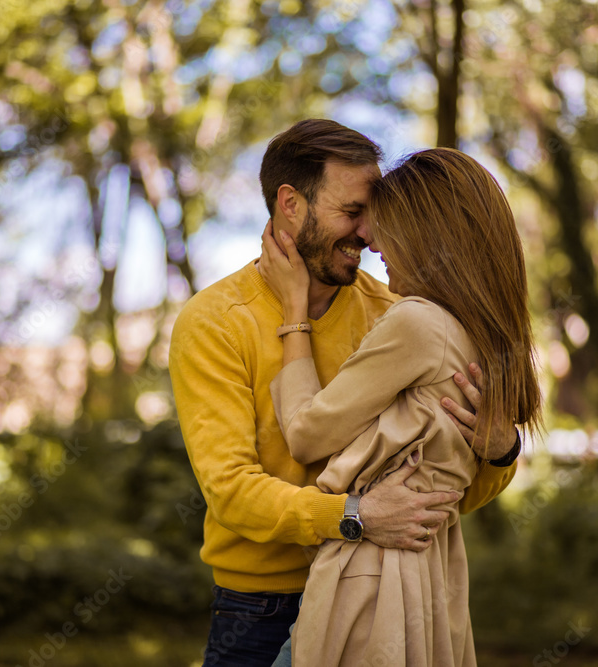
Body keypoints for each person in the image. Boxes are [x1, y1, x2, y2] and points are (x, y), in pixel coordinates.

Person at [168, 120, 524, 667]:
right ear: (291, 204)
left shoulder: (396, 312)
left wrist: (501, 452)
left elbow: (439, 492)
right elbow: (233, 492)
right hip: (258, 610)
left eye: (373, 212)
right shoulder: (215, 323)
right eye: (352, 211)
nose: (368, 232)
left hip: (380, 587)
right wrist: (355, 515)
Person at [258, 146, 543, 666]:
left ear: (426, 233)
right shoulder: (479, 333)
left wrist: (294, 310)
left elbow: (304, 434)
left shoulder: (418, 323)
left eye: (381, 222)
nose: (367, 238)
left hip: (372, 577)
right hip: (433, 575)